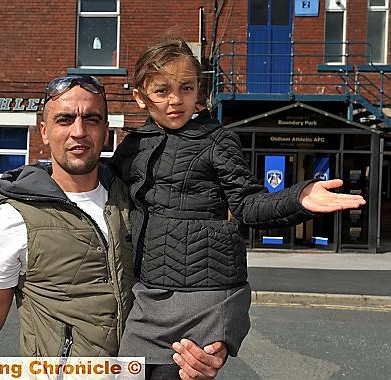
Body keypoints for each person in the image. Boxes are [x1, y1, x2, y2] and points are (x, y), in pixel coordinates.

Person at [0, 74, 227, 380]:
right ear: (43, 130)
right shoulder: (17, 216)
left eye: (92, 119)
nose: (79, 132)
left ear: (106, 130)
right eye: (65, 119)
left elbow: (189, 280)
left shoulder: (137, 196)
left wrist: (207, 345)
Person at [108, 37, 366, 379]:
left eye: (186, 88)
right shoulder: (133, 146)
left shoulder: (218, 140)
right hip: (149, 293)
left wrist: (298, 198)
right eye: (162, 90)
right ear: (140, 96)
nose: (175, 100)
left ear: (198, 89)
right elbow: (97, 186)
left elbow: (248, 204)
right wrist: (43, 175)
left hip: (204, 294)